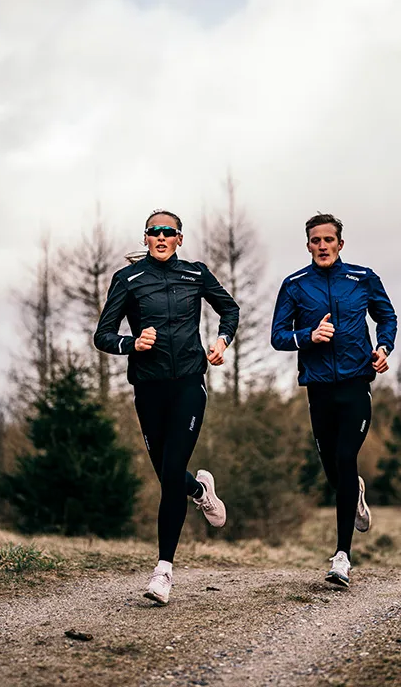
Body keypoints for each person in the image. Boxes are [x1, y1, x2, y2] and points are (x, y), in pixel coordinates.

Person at [95, 209, 240, 605]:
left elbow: (230, 309)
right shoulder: (127, 280)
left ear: (179, 238)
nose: (161, 237)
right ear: (145, 239)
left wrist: (222, 341)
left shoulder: (196, 274)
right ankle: (199, 489)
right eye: (154, 232)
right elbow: (103, 335)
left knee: (171, 470)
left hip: (189, 384)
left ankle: (163, 570)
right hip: (148, 388)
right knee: (169, 476)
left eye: (168, 232)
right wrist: (131, 344)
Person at [270, 213, 397, 587]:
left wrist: (384, 347)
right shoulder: (295, 285)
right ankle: (353, 489)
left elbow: (387, 317)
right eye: (315, 240)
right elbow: (278, 336)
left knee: (345, 458)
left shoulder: (363, 278)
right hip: (319, 388)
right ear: (307, 245)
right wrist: (309, 335)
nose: (322, 246)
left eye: (329, 240)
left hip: (356, 383)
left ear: (341, 244)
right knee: (333, 470)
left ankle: (342, 556)